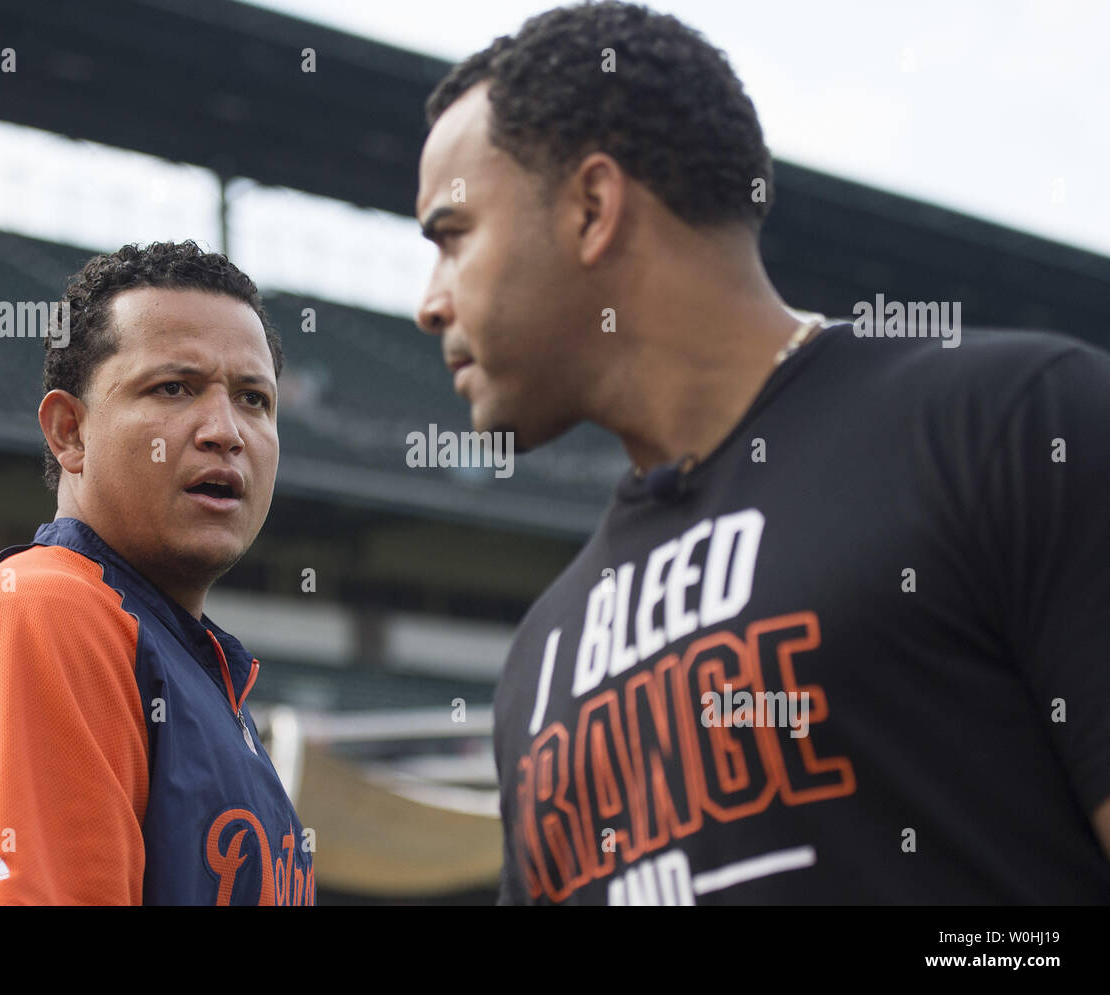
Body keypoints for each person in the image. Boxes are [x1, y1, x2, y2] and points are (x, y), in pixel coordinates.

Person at [414, 1, 1110, 904]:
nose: (428, 302)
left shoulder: (1015, 426)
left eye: (450, 237)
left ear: (592, 207)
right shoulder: (537, 664)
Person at [0, 240, 314, 905]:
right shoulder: (37, 618)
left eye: (254, 399)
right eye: (174, 387)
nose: (226, 430)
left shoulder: (192, 668)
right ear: (69, 430)